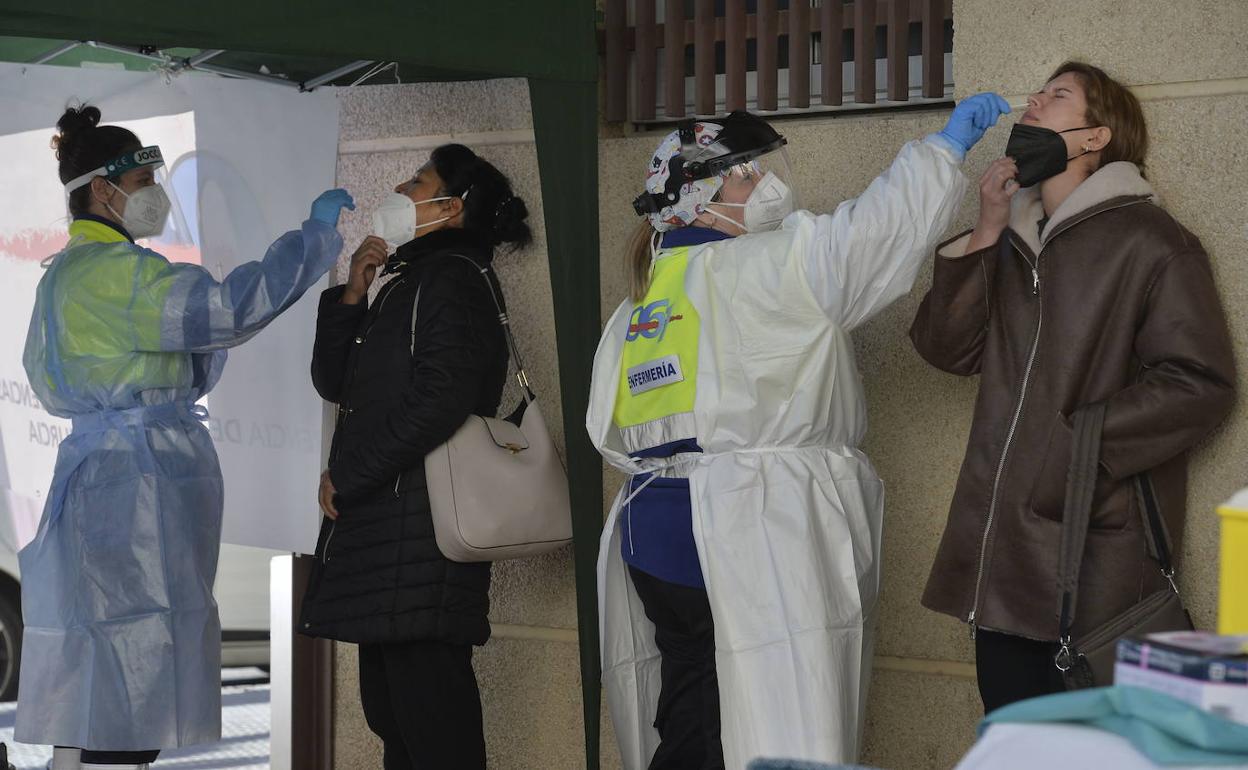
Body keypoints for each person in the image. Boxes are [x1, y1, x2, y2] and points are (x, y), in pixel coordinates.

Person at [588, 94, 1011, 770]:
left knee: (693, 708)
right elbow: (874, 233)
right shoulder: (770, 266)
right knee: (783, 711)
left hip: (654, 531)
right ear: (698, 198)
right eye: (747, 175)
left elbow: (609, 424)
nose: (768, 185)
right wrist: (943, 149)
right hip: (751, 526)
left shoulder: (646, 299)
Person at [18, 105, 352, 770]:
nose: (153, 195)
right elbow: (225, 312)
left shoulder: (68, 274)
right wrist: (313, 239)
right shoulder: (117, 276)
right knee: (125, 682)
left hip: (106, 478)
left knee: (99, 678)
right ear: (101, 189)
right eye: (142, 181)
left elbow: (187, 348)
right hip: (131, 487)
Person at [911, 62, 1236, 714]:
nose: (1034, 101)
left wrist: (1080, 442)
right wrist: (988, 225)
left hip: (1092, 557)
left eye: (1058, 95)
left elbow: (1201, 382)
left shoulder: (1152, 241)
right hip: (999, 561)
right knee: (1014, 740)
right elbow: (948, 350)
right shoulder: (1009, 243)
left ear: (1096, 136)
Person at [298, 144, 532, 770]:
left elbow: (441, 398)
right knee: (394, 715)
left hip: (420, 533)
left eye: (416, 181)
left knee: (431, 721)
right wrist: (352, 295)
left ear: (451, 207)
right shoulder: (411, 278)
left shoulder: (452, 277)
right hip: (390, 536)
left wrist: (348, 475)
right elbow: (335, 380)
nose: (400, 188)